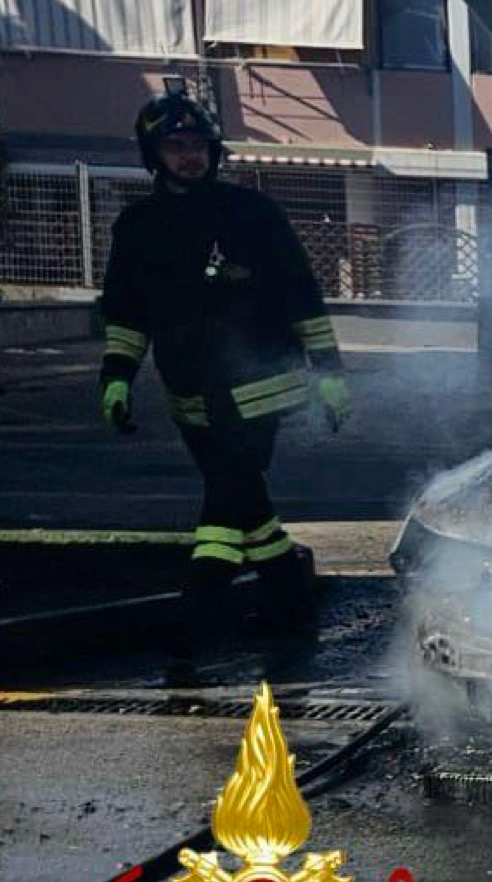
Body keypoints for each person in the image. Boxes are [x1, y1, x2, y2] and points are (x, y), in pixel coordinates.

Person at [96, 92, 351, 684]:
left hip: (262, 388)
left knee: (224, 504)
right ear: (154, 156)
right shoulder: (136, 228)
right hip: (190, 397)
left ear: (216, 151)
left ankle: (189, 630)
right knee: (248, 510)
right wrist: (116, 379)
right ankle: (292, 609)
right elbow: (127, 316)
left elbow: (301, 298)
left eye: (199, 146)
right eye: (176, 147)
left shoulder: (253, 215)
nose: (191, 157)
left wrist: (330, 372)